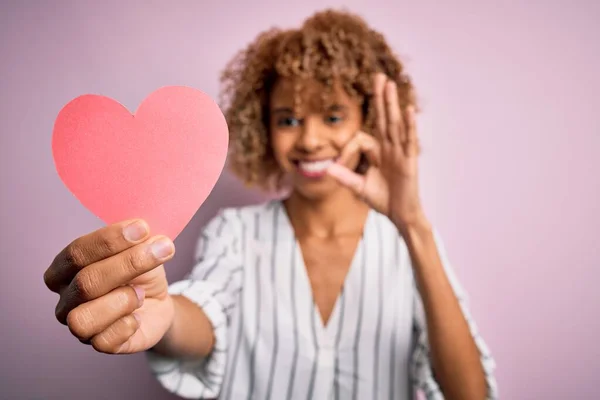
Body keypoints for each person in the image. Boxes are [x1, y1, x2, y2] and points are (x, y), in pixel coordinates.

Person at [43, 9, 498, 400]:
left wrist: (412, 223)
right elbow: (204, 318)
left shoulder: (409, 244)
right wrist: (162, 316)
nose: (310, 139)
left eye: (333, 115)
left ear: (369, 121)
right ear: (263, 127)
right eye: (289, 119)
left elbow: (469, 393)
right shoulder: (237, 233)